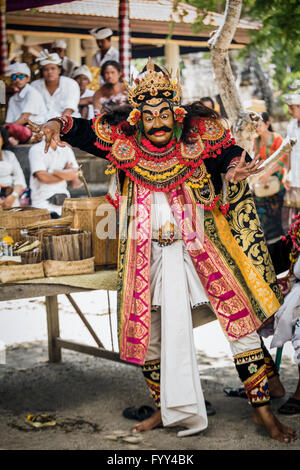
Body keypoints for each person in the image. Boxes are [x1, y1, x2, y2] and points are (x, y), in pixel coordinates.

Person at [38, 58, 296, 443]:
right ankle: (165, 408)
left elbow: (227, 154)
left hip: (202, 248)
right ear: (137, 118)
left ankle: (261, 410)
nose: (157, 124)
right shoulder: (122, 141)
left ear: (177, 115)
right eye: (149, 116)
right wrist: (56, 125)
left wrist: (231, 169)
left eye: (165, 115)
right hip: (147, 254)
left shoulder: (197, 138)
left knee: (239, 322)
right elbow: (80, 131)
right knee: (151, 335)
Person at [252, 112, 287, 245]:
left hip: (276, 182)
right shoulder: (256, 140)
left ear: (267, 124)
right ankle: (269, 243)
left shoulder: (277, 139)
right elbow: (255, 159)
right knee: (263, 216)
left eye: (259, 125)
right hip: (262, 182)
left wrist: (268, 173)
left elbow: (282, 159)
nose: (257, 128)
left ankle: (281, 243)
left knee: (278, 215)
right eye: (255, 126)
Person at [28, 138, 81, 217]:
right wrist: (66, 173)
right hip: (42, 204)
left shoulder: (66, 149)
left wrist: (52, 171)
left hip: (64, 203)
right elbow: (43, 177)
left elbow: (75, 174)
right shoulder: (36, 149)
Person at [31, 50, 80, 121]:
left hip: (66, 122)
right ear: (42, 72)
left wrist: (57, 123)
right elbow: (32, 108)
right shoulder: (35, 85)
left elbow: (69, 109)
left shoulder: (71, 84)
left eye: (53, 68)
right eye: (46, 69)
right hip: (40, 123)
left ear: (59, 70)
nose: (49, 72)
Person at [282, 93, 300, 233]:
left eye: (292, 108)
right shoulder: (292, 125)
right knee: (290, 219)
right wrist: (286, 173)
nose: (289, 111)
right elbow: (288, 151)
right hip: (294, 176)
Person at [0, 126, 26, 208]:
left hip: (11, 198)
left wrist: (13, 196)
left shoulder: (9, 155)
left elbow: (19, 178)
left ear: (3, 139)